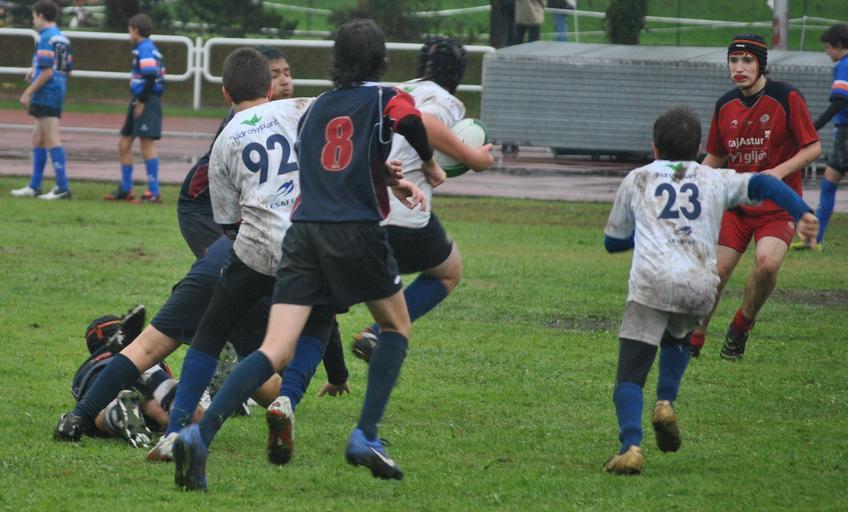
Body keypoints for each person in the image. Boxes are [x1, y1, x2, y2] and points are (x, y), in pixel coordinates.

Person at [172, 19, 436, 491]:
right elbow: (411, 122)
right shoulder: (381, 96)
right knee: (396, 326)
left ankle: (199, 434)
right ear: (382, 61)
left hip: (302, 233)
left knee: (274, 348)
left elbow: (318, 167)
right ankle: (365, 435)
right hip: (354, 231)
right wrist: (429, 165)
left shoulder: (317, 108)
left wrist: (384, 175)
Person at [602, 106, 818, 475]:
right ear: (699, 147)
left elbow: (612, 242)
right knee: (679, 338)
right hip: (700, 282)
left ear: (654, 147)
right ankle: (665, 401)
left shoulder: (638, 179)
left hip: (653, 281)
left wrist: (650, 231)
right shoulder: (714, 178)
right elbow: (765, 184)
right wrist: (801, 211)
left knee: (630, 374)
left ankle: (630, 446)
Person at [351, 36, 495, 361]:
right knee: (448, 272)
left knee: (323, 299)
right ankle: (378, 333)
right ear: (458, 74)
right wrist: (473, 158)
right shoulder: (444, 100)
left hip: (354, 206)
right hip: (401, 211)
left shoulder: (393, 90)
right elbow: (426, 123)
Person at [688, 34, 821, 359]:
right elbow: (716, 155)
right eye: (733, 61)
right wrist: (689, 181)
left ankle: (740, 326)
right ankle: (693, 341)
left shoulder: (786, 96)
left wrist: (778, 172)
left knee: (766, 266)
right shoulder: (725, 105)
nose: (739, 68)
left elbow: (813, 147)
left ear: (761, 64)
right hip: (736, 206)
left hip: (777, 208)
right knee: (716, 273)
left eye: (747, 61)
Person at [178, 45, 294, 258]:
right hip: (202, 207)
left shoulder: (284, 114)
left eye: (287, 73)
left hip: (235, 206)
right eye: (275, 75)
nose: (284, 80)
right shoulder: (243, 121)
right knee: (228, 267)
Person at [791, 23, 848, 250]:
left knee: (830, 183)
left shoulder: (844, 65)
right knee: (829, 183)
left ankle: (815, 240)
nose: (827, 52)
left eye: (828, 47)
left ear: (839, 45)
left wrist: (812, 127)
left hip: (846, 132)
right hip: (843, 133)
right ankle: (814, 240)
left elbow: (840, 100)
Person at [11, 0, 73, 200]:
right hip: (56, 90)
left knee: (51, 137)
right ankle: (34, 186)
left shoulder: (46, 37)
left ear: (40, 15)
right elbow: (66, 69)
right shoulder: (62, 38)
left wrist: (28, 91)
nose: (33, 21)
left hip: (47, 92)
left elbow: (47, 72)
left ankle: (62, 187)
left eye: (34, 16)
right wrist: (34, 70)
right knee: (37, 137)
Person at [104, 13, 165, 204]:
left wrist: (142, 100)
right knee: (124, 144)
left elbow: (150, 75)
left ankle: (154, 192)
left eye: (130, 30)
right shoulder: (143, 48)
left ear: (136, 31)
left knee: (146, 144)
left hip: (147, 100)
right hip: (139, 98)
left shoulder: (145, 48)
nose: (129, 34)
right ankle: (125, 189)